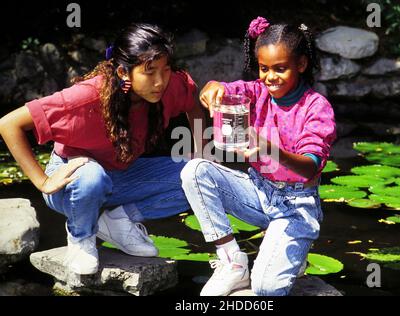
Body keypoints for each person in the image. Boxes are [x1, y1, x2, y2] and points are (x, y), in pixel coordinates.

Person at [0, 23, 206, 275]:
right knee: (92, 176)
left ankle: (118, 221)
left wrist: (200, 154)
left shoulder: (169, 86)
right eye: (150, 72)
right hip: (74, 181)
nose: (160, 81)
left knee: (202, 175)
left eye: (165, 70)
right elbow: (8, 124)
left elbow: (193, 107)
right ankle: (81, 236)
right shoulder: (85, 98)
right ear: (123, 72)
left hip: (121, 175)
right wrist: (42, 181)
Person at [180, 17, 336, 296]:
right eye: (264, 69)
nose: (270, 77)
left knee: (265, 288)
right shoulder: (255, 92)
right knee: (195, 170)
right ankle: (232, 262)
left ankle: (294, 252)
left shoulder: (316, 107)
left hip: (295, 205)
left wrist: (269, 149)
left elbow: (310, 166)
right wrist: (211, 88)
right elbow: (223, 89)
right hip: (257, 191)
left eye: (280, 69)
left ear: (301, 65)